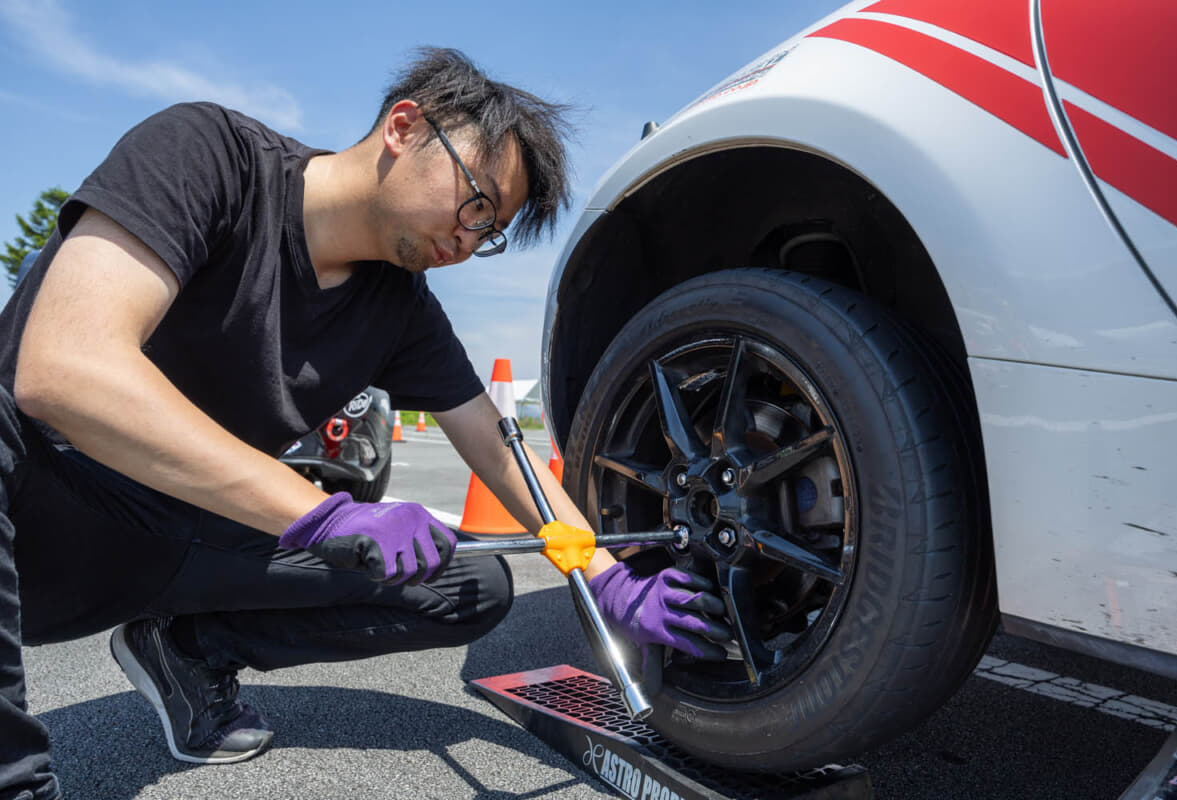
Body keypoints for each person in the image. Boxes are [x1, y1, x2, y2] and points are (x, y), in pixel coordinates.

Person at [0, 48, 732, 798]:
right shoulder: (208, 156)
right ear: (405, 127)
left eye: (491, 233)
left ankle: (188, 648)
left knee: (469, 583)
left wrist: (601, 576)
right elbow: (63, 371)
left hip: (180, 541)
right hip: (42, 530)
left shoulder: (401, 309)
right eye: (476, 203)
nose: (470, 240)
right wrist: (320, 515)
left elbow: (494, 444)